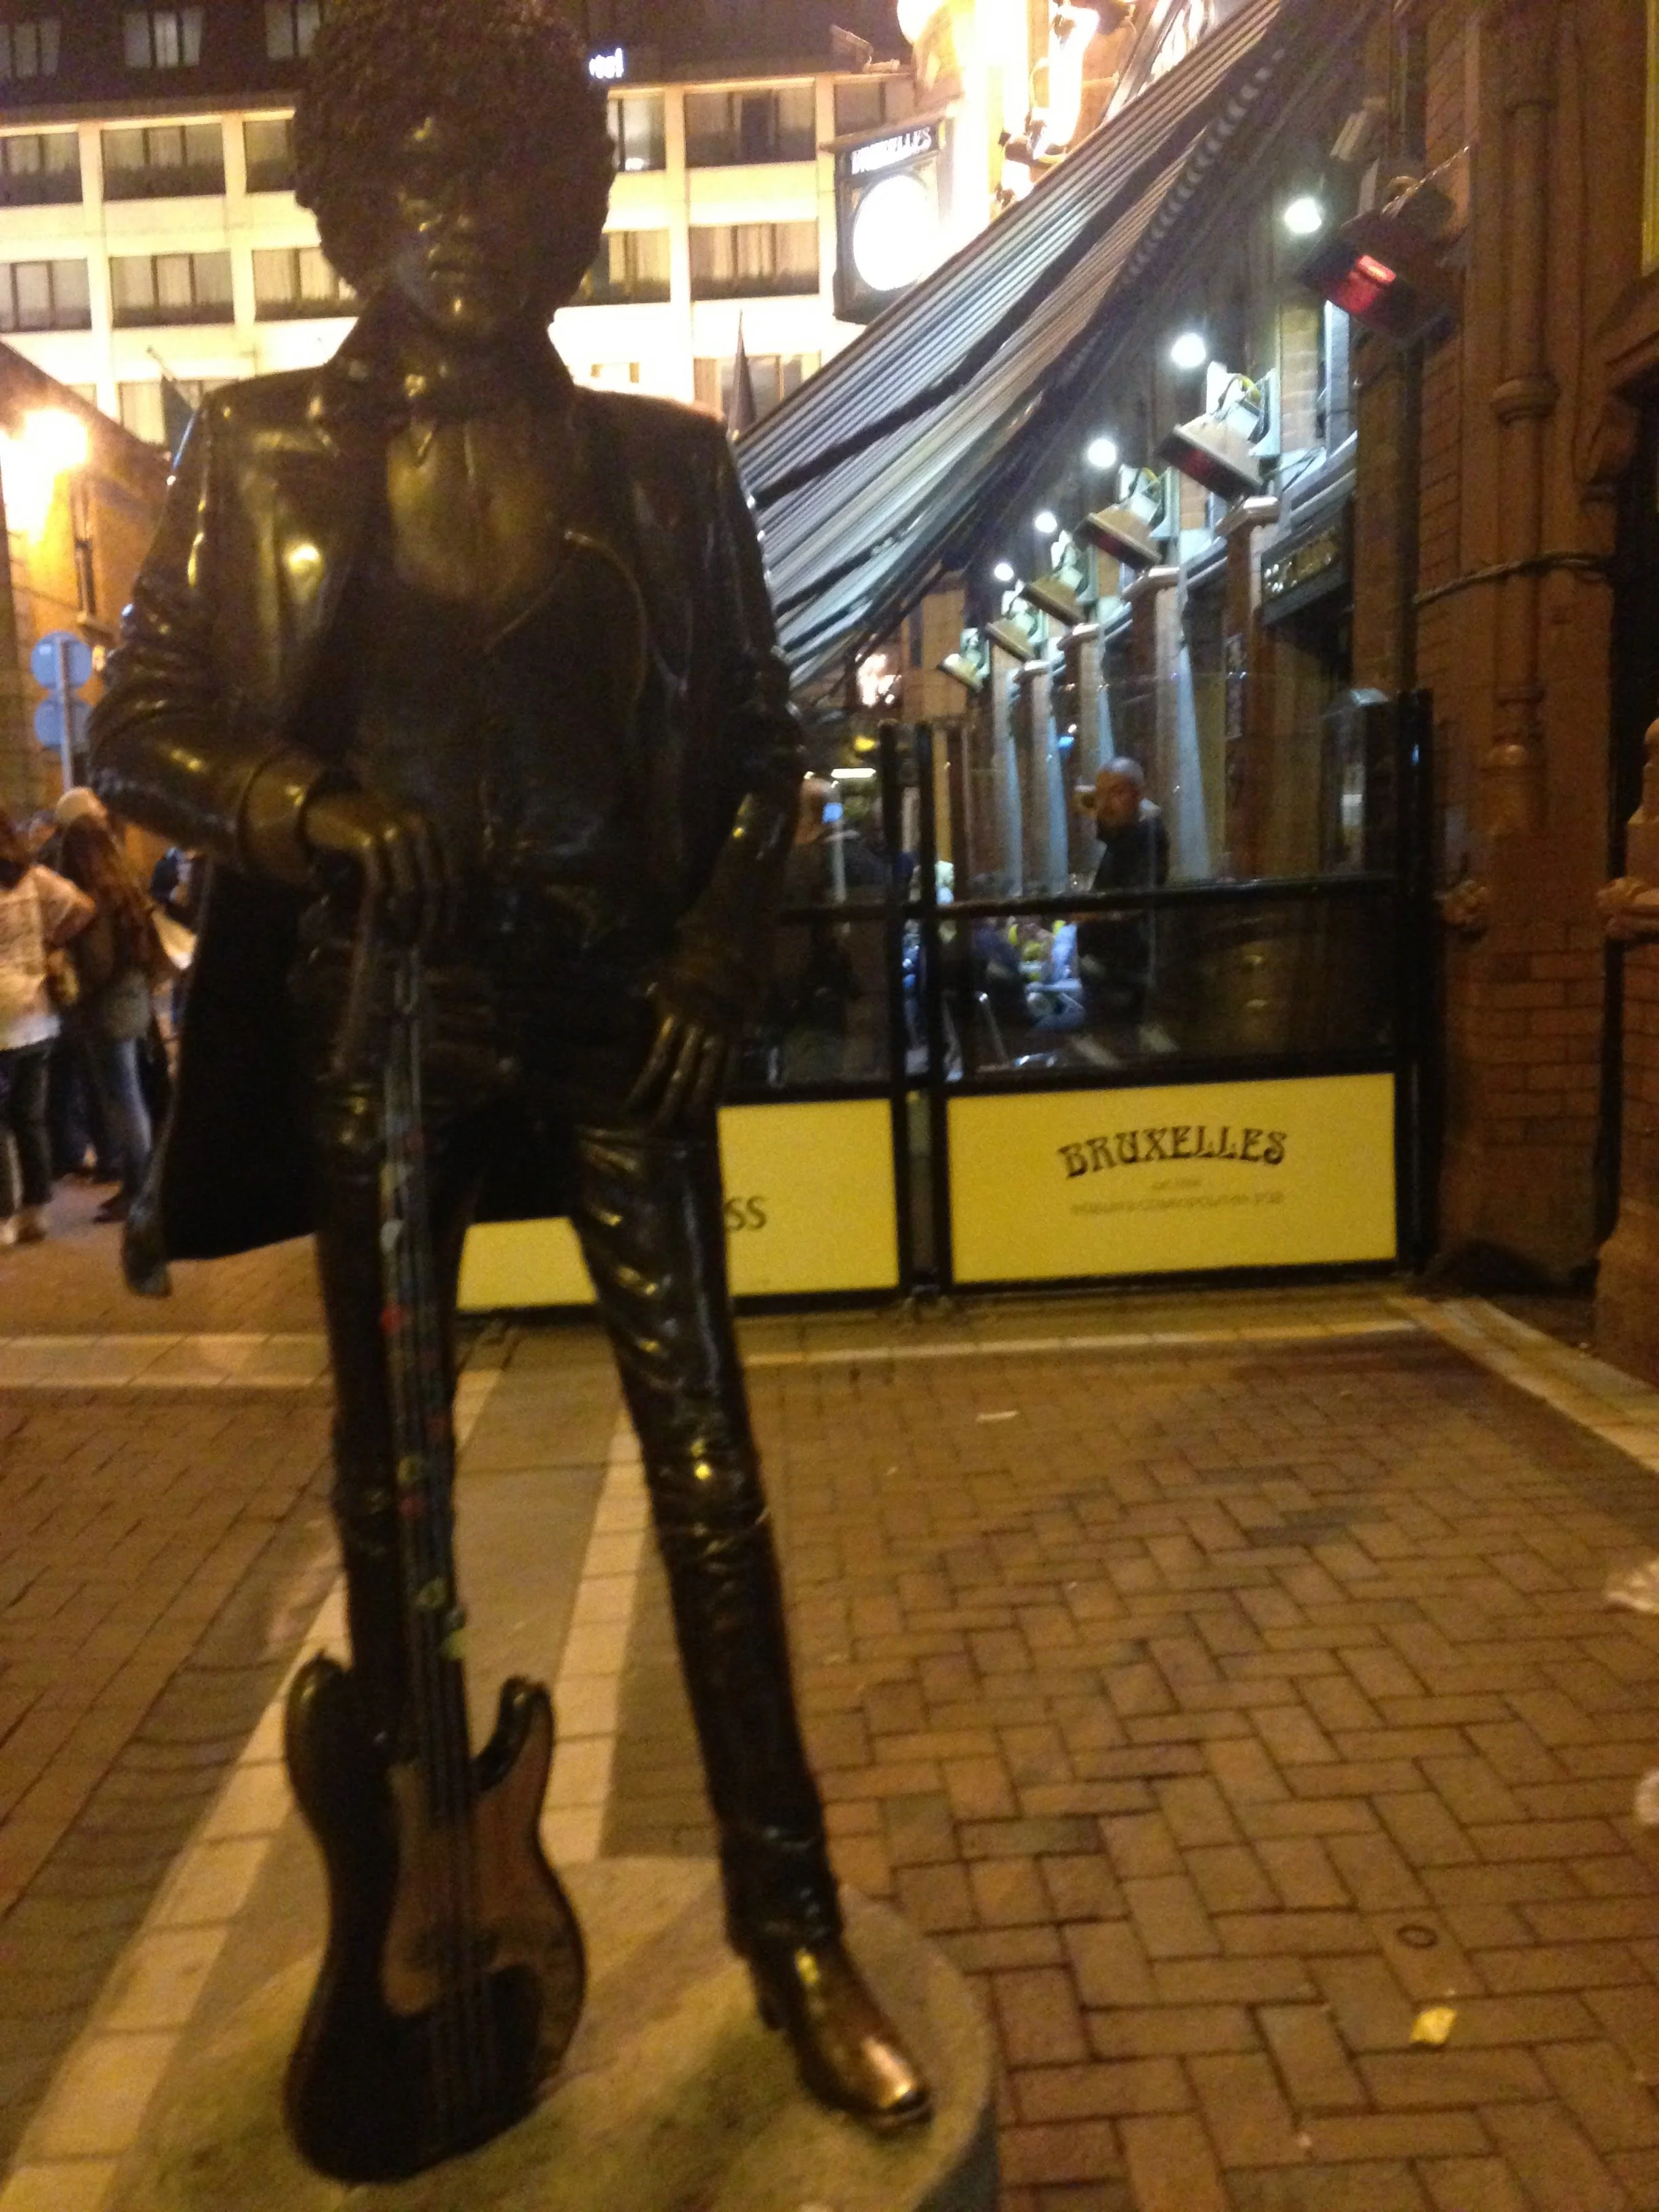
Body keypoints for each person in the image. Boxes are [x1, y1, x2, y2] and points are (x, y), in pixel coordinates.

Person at [89, 0, 926, 2133]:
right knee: (401, 1507)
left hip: (611, 1007)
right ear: (357, 207)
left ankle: (792, 1927)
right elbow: (141, 720)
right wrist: (300, 805)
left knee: (716, 1485)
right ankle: (432, 1927)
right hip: (388, 1014)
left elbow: (762, 748)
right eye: (430, 183)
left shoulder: (668, 467)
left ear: (577, 195)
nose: (478, 223)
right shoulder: (257, 445)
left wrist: (723, 953)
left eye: (520, 177)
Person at [53, 789, 166, 1226]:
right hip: (132, 1003)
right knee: (130, 1096)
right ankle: (142, 1185)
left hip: (108, 1011)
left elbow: (98, 963)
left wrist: (74, 984)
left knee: (123, 1101)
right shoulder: (124, 878)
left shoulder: (91, 894)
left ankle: (140, 1190)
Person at [0, 804, 94, 1247]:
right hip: (38, 1014)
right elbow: (83, 906)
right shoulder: (34, 877)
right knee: (31, 1119)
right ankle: (36, 1211)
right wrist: (51, 940)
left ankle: (3, 1218)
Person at [1077, 756, 1170, 1023]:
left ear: (1139, 794)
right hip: (1106, 974)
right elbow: (1108, 831)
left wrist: (1091, 915)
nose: (1105, 804)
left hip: (1123, 977)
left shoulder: (1148, 833)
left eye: (1116, 792)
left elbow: (1137, 902)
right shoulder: (1126, 834)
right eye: (1101, 795)